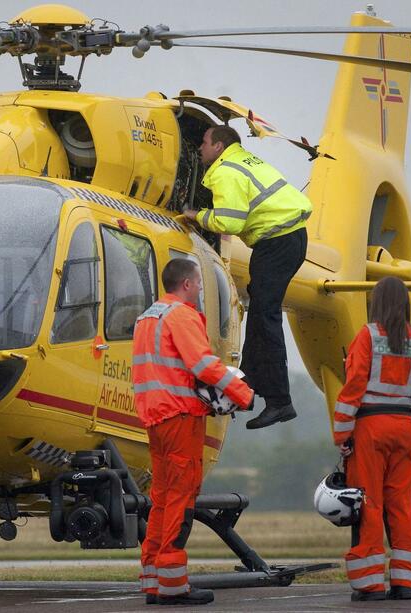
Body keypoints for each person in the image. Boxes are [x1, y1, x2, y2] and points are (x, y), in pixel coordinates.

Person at [132, 258, 254, 606]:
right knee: (181, 496)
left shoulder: (146, 318)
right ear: (186, 284)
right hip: (180, 415)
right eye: (199, 282)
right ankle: (173, 585)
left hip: (155, 417)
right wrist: (242, 393)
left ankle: (154, 579)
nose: (201, 288)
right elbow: (202, 364)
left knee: (162, 497)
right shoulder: (181, 315)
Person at [180, 125, 312, 429]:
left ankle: (280, 401)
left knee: (266, 316)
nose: (200, 148)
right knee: (259, 313)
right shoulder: (244, 160)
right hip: (286, 239)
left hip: (277, 241)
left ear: (219, 146)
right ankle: (250, 381)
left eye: (203, 142)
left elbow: (229, 221)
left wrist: (195, 216)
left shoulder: (226, 170)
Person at [332, 277, 411, 602]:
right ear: (405, 303)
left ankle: (370, 584)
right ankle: (405, 583)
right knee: (402, 505)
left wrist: (342, 434)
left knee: (370, 504)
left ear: (376, 302)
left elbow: (353, 387)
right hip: (404, 428)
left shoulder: (368, 335)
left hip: (370, 428)